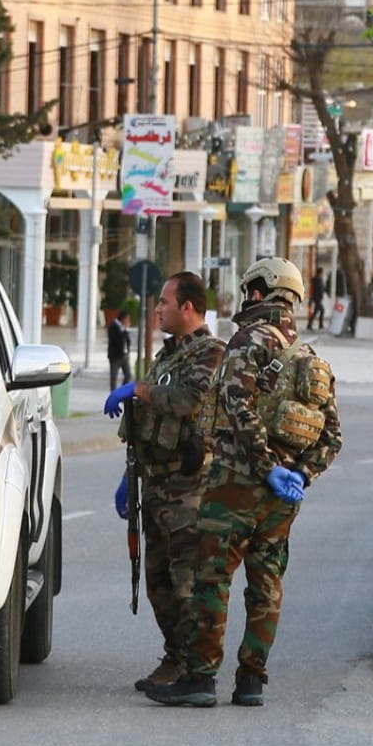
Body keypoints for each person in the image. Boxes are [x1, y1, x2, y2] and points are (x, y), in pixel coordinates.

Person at [147, 257, 342, 709]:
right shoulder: (313, 359)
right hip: (281, 498)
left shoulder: (246, 342)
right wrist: (298, 475)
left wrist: (263, 464)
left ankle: (199, 677)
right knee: (266, 582)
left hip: (236, 483)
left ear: (259, 293)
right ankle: (251, 680)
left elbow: (236, 404)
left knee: (210, 577)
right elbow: (333, 437)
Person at [102, 272, 228, 692]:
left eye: (165, 302)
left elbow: (187, 400)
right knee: (156, 582)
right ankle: (176, 657)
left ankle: (197, 671)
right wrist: (128, 479)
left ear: (187, 308)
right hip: (154, 483)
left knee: (186, 581)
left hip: (188, 487)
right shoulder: (166, 357)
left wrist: (137, 390)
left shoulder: (210, 353)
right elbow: (144, 426)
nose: (157, 309)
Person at [106, 308, 133, 389]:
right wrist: (124, 329)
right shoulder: (114, 326)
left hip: (124, 355)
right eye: (127, 319)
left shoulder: (123, 327)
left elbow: (127, 340)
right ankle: (113, 394)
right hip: (115, 356)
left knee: (128, 375)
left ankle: (122, 391)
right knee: (114, 377)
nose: (128, 321)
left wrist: (127, 351)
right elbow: (118, 341)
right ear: (123, 318)